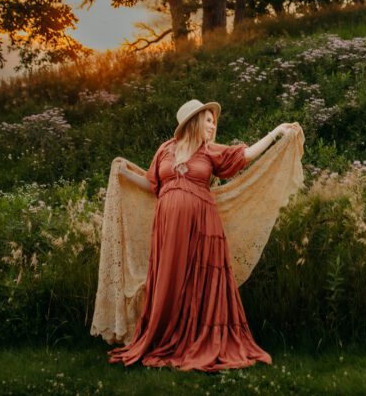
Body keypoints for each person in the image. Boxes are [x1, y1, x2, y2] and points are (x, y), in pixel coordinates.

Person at [107, 98, 294, 372]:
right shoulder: (165, 150)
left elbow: (245, 155)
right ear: (193, 121)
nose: (213, 125)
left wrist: (276, 132)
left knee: (201, 282)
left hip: (203, 228)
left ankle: (198, 340)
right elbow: (152, 185)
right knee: (170, 280)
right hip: (168, 231)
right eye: (208, 120)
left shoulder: (210, 151)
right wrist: (125, 172)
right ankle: (166, 338)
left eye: (213, 121)